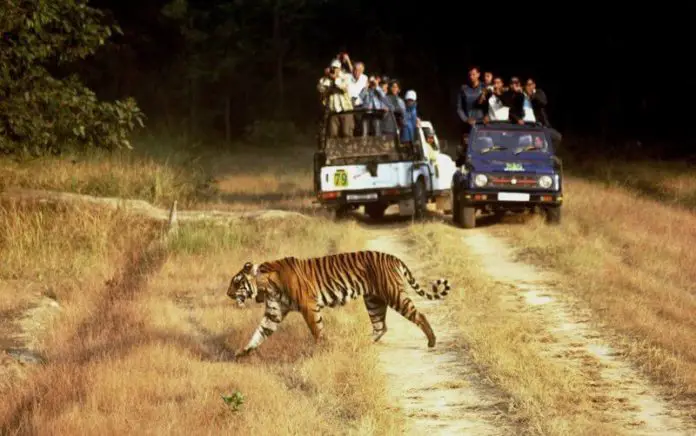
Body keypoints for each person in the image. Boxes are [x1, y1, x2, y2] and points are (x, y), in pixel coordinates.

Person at [317, 59, 354, 137]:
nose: (334, 70)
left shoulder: (346, 77)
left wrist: (335, 79)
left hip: (346, 110)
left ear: (339, 69)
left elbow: (344, 88)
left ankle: (348, 149)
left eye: (335, 68)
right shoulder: (326, 79)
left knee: (346, 133)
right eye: (332, 68)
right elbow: (320, 89)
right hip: (333, 111)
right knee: (333, 134)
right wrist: (326, 77)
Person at [525, 77, 562, 145]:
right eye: (527, 85)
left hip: (542, 124)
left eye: (530, 84)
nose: (529, 87)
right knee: (536, 144)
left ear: (534, 85)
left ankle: (550, 154)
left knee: (557, 137)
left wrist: (532, 95)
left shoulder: (539, 92)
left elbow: (543, 102)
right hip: (529, 125)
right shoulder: (523, 96)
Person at [456, 66, 486, 145]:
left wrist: (486, 117)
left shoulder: (484, 87)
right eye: (470, 75)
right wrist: (466, 119)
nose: (471, 77)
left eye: (473, 74)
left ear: (478, 74)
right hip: (467, 125)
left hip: (482, 124)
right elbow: (459, 108)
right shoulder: (463, 88)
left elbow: (490, 106)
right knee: (467, 149)